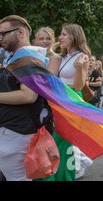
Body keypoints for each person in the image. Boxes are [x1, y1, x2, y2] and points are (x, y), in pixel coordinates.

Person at [0, 15, 48, 181]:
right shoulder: (18, 57)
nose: (0, 38)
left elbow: (28, 95)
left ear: (20, 32)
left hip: (16, 131)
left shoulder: (27, 57)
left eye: (3, 33)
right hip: (13, 129)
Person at [45, 23, 92, 181]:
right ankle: (62, 174)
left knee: (62, 141)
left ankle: (63, 176)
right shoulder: (63, 56)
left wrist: (79, 69)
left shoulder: (82, 56)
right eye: (61, 34)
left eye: (64, 34)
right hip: (59, 101)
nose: (61, 37)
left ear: (74, 36)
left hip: (71, 102)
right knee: (59, 140)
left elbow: (78, 86)